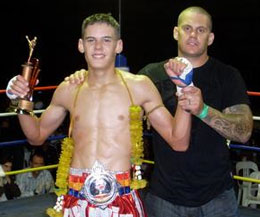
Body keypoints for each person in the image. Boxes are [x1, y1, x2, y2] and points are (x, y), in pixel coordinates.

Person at [6, 13, 193, 217]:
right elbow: (36, 136)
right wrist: (22, 100)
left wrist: (185, 90)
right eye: (91, 40)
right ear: (81, 45)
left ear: (118, 45)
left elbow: (178, 142)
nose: (97, 47)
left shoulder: (139, 87)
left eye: (106, 40)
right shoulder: (68, 89)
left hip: (122, 199)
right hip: (76, 198)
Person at [137, 6, 253, 217]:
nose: (193, 35)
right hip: (163, 197)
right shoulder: (150, 75)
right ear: (175, 32)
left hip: (217, 198)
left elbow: (244, 132)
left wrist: (203, 110)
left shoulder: (226, 76)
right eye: (187, 28)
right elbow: (121, 115)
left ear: (210, 38)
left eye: (201, 30)